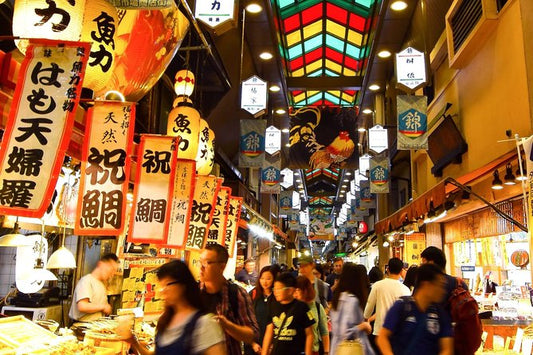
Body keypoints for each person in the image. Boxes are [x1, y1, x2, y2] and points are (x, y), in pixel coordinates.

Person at [127, 260, 226, 355]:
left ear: (183, 285)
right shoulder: (165, 319)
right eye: (160, 285)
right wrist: (133, 341)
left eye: (168, 284)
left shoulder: (204, 323)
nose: (162, 290)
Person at [376, 263, 454, 355]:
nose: (443, 290)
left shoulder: (440, 314)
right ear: (427, 285)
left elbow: (447, 348)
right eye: (439, 285)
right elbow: (382, 337)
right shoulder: (402, 306)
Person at [199, 244, 259, 355]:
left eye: (206, 263)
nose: (201, 267)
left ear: (222, 266)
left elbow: (252, 334)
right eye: (200, 262)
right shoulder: (193, 293)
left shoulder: (237, 293)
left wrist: (227, 326)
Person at [261, 272, 315, 355]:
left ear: (290, 290)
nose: (275, 292)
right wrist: (264, 353)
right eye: (274, 289)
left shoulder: (302, 307)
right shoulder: (272, 305)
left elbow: (309, 334)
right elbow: (269, 331)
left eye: (279, 289)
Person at [329, 263, 374, 355]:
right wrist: (364, 326)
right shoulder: (351, 301)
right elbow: (344, 332)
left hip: (337, 349)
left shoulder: (338, 298)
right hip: (352, 350)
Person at [364, 258, 411, 340]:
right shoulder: (405, 289)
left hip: (379, 329)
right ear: (401, 271)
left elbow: (369, 304)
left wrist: (366, 317)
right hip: (397, 330)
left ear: (387, 269)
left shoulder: (377, 285)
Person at [69, 253, 119, 322]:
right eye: (111, 269)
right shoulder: (86, 281)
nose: (112, 274)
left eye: (114, 271)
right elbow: (82, 306)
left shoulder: (101, 284)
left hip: (95, 325)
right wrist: (103, 306)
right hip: (82, 326)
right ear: (101, 264)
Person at [420, 246, 468, 313]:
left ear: (431, 263)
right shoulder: (460, 283)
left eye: (423, 263)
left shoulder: (425, 284)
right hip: (457, 323)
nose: (421, 266)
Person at [246, 266, 279, 355]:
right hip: (252, 344)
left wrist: (271, 345)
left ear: (274, 279)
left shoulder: (278, 297)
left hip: (272, 345)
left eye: (268, 279)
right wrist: (253, 343)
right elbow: (246, 319)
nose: (264, 282)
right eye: (262, 278)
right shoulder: (253, 294)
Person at [295, 276, 330, 355]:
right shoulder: (293, 307)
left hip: (313, 350)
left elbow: (324, 331)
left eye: (297, 290)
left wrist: (326, 351)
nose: (295, 294)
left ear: (306, 291)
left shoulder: (317, 307)